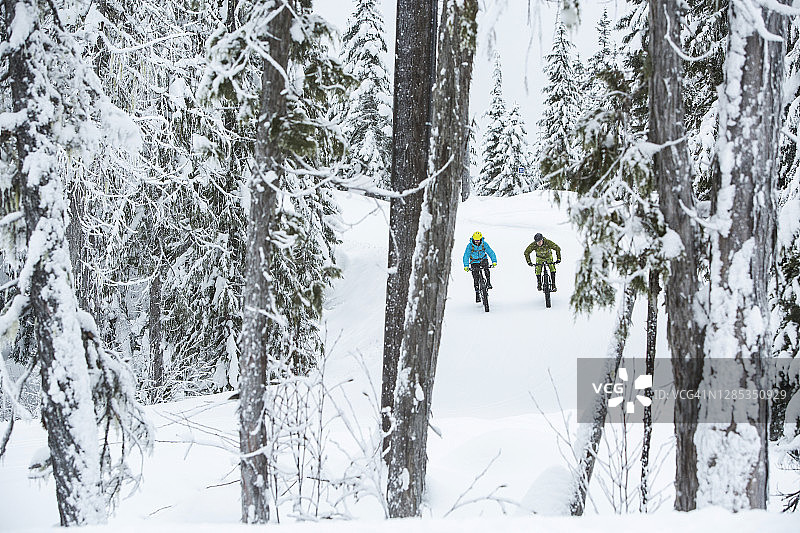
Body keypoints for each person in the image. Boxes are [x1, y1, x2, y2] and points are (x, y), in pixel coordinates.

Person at [463, 231, 497, 302]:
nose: (477, 242)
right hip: (474, 262)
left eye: (478, 240)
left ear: (481, 239)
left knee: (486, 269)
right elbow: (466, 255)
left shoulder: (484, 244)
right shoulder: (470, 246)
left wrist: (494, 261)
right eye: (475, 240)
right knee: (476, 277)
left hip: (483, 259)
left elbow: (490, 252)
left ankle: (488, 282)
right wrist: (466, 265)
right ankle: (477, 293)